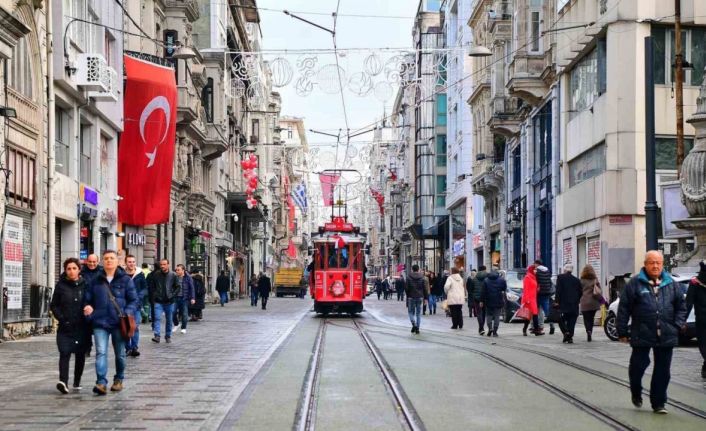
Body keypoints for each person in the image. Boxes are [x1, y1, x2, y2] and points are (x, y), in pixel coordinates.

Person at [617, 250, 686, 414]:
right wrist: (622, 331)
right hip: (642, 332)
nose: (655, 266)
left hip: (666, 334)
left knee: (663, 370)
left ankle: (659, 402)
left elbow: (681, 307)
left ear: (662, 264)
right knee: (637, 367)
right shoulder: (635, 283)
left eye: (658, 263)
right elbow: (624, 308)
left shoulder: (672, 284)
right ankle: (636, 389)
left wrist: (676, 325)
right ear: (645, 264)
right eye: (651, 262)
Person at [82, 250, 138, 395]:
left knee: (120, 354)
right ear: (102, 261)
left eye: (112, 258)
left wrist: (128, 312)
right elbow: (87, 299)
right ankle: (101, 382)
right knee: (101, 352)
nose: (109, 261)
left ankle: (118, 379)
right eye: (106, 258)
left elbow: (134, 300)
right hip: (100, 322)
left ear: (117, 261)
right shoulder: (96, 280)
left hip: (119, 322)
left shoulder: (125, 280)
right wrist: (88, 307)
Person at [50, 257, 90, 394]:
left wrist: (89, 309)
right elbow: (54, 305)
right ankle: (63, 382)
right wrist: (61, 318)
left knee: (80, 355)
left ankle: (77, 381)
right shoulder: (61, 286)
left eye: (74, 268)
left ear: (79, 270)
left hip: (82, 326)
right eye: (68, 269)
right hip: (65, 327)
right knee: (64, 352)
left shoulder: (86, 284)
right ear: (65, 270)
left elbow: (91, 301)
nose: (71, 271)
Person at [148, 259, 180, 344]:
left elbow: (177, 287)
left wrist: (172, 295)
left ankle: (168, 336)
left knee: (169, 319)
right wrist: (155, 295)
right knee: (157, 318)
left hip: (169, 301)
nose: (162, 266)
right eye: (161, 264)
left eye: (164, 264)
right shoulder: (156, 275)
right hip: (158, 300)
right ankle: (157, 335)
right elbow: (152, 286)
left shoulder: (173, 275)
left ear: (168, 265)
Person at [686, 260, 706, 379]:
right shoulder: (694, 283)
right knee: (704, 345)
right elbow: (688, 304)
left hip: (701, 320)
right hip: (702, 322)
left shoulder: (694, 282)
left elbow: (687, 304)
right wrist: (681, 320)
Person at [124, 255, 147, 357]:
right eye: (129, 262)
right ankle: (127, 348)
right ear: (126, 263)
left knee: (135, 326)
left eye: (133, 262)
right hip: (124, 305)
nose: (131, 264)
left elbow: (145, 288)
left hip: (136, 305)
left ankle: (134, 347)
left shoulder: (140, 274)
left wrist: (139, 297)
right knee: (125, 327)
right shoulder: (121, 274)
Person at [554, 264, 582, 344]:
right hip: (574, 304)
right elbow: (581, 292)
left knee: (561, 319)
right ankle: (570, 337)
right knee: (572, 321)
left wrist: (556, 301)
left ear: (565, 270)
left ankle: (566, 332)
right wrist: (577, 300)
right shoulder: (577, 280)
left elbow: (558, 290)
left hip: (563, 304)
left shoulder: (560, 277)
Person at [481, 269, 507, 337]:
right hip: (498, 300)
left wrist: (481, 301)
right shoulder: (501, 280)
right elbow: (504, 288)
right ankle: (495, 332)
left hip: (488, 300)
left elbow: (483, 291)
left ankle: (490, 328)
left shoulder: (486, 280)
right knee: (497, 316)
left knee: (489, 315)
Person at [579, 264, 601, 342]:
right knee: (591, 318)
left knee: (586, 318)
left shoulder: (581, 280)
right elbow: (599, 291)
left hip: (584, 301)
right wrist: (603, 301)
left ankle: (588, 330)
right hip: (593, 302)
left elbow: (579, 291)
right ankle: (590, 331)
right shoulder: (595, 279)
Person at [405, 265, 429, 334]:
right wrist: (426, 298)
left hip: (411, 297)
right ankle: (417, 328)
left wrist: (408, 295)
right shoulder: (422, 277)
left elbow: (406, 288)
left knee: (410, 312)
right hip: (420, 297)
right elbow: (425, 288)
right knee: (418, 313)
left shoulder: (408, 277)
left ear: (412, 270)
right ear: (418, 270)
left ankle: (414, 324)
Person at [535, 260, 556, 335]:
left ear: (537, 264)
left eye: (535, 264)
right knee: (547, 310)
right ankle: (552, 325)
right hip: (547, 293)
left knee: (538, 310)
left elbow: (536, 282)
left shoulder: (536, 271)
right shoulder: (547, 271)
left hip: (539, 293)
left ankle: (540, 326)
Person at [174, 264, 195, 334]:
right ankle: (176, 324)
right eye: (176, 270)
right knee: (172, 312)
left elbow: (192, 288)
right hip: (175, 298)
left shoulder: (188, 277)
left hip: (184, 298)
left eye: (178, 270)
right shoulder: (174, 277)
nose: (176, 271)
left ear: (183, 270)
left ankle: (183, 328)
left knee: (184, 314)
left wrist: (192, 298)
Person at [521, 265, 542, 336]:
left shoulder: (534, 277)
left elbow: (534, 287)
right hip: (528, 299)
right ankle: (525, 329)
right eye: (534, 269)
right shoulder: (527, 277)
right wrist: (527, 300)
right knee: (528, 316)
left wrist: (538, 288)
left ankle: (536, 330)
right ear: (531, 270)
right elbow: (525, 289)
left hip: (533, 298)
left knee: (535, 314)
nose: (536, 271)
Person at [468, 265, 488, 335]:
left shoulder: (475, 279)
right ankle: (481, 328)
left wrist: (474, 295)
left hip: (477, 299)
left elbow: (470, 289)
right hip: (485, 298)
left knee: (479, 313)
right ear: (485, 270)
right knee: (484, 313)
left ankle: (481, 328)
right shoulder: (487, 277)